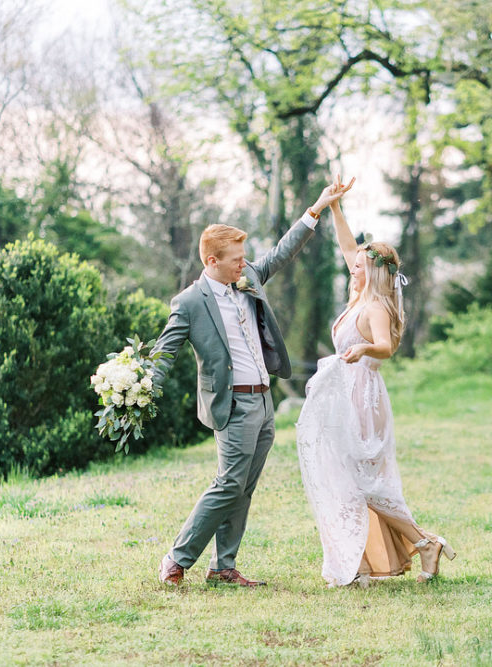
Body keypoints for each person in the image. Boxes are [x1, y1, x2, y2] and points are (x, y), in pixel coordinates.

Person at [153, 178, 354, 587]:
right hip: (233, 406)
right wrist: (140, 389)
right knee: (228, 483)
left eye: (244, 257)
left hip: (264, 402)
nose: (243, 264)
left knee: (244, 488)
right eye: (234, 259)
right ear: (211, 261)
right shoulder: (190, 302)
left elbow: (281, 252)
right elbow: (165, 350)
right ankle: (176, 558)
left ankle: (223, 567)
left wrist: (316, 208)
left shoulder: (248, 280)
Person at [296, 176, 456, 587]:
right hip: (344, 396)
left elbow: (386, 347)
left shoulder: (377, 306)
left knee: (364, 481)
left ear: (374, 272)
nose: (353, 265)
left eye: (361, 264)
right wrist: (334, 208)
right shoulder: (358, 295)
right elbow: (348, 247)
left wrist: (364, 350)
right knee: (347, 479)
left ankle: (424, 543)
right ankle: (364, 564)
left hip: (364, 397)